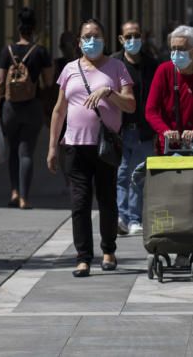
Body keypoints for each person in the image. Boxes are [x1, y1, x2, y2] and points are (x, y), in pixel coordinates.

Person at [47, 19, 136, 278]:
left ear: (105, 39)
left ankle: (108, 250)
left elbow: (130, 105)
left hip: (105, 147)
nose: (91, 40)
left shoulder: (117, 68)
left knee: (107, 200)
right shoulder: (70, 69)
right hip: (75, 146)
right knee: (79, 203)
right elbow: (59, 110)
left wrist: (109, 92)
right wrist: (53, 146)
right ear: (79, 41)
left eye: (96, 35)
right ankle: (83, 257)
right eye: (87, 36)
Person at [0, 8, 53, 210]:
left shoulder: (7, 51)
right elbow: (48, 81)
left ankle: (14, 192)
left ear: (18, 28)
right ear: (34, 28)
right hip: (32, 106)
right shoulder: (41, 52)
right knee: (26, 152)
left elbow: (1, 81)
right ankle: (25, 198)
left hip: (10, 107)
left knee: (12, 151)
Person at [111, 20, 158, 237]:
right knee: (121, 174)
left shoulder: (151, 65)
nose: (133, 40)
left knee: (138, 175)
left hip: (144, 130)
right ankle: (122, 216)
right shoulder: (113, 63)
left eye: (136, 35)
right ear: (121, 39)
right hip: (119, 131)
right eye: (128, 36)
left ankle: (135, 219)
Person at [145, 25, 193, 158]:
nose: (175, 53)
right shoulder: (164, 70)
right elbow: (151, 110)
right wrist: (165, 131)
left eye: (181, 49)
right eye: (173, 49)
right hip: (169, 147)